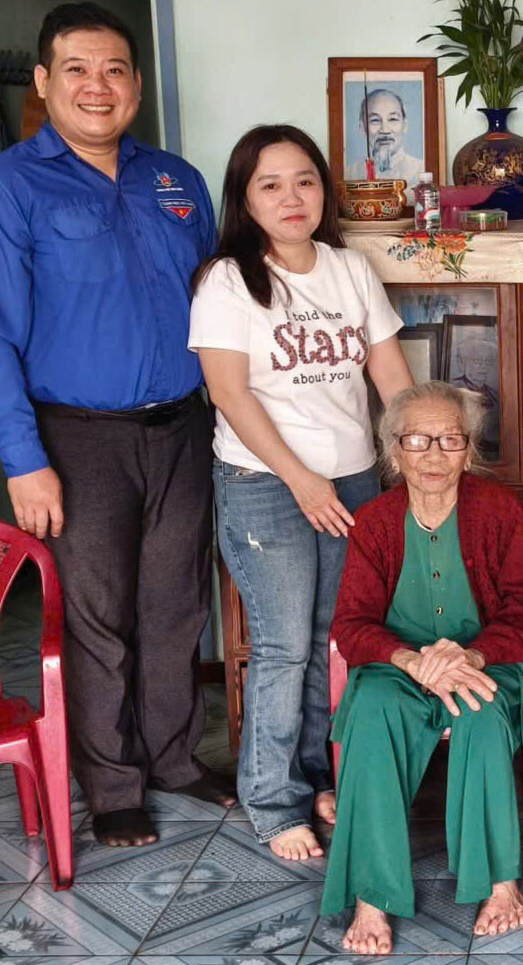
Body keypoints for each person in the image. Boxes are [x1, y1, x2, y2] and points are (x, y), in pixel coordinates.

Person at [0, 2, 234, 848]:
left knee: (177, 604)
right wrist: (21, 457)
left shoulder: (176, 180)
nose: (96, 86)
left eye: (113, 69)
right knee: (96, 616)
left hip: (184, 429)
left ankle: (174, 757)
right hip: (76, 438)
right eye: (76, 68)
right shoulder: (3, 190)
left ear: (137, 84)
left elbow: (222, 303)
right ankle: (113, 784)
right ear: (43, 82)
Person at [188, 124, 414, 860]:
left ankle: (316, 776)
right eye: (271, 184)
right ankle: (272, 801)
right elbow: (228, 393)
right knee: (284, 646)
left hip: (352, 480)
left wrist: (417, 451)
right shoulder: (228, 280)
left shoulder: (349, 269)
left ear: (325, 191)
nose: (292, 197)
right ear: (245, 199)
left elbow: (390, 375)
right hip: (265, 484)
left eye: (305, 181)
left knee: (328, 639)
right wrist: (301, 478)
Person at [320, 381, 523, 954]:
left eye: (450, 440)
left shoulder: (498, 512)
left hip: (488, 661)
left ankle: (499, 883)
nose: (433, 454)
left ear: (469, 450)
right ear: (393, 450)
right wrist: (408, 659)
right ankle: (371, 896)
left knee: (480, 710)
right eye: (417, 440)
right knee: (373, 712)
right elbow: (352, 623)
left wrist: (473, 655)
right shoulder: (375, 521)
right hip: (398, 667)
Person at [345, 88, 424, 190]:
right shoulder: (350, 174)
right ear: (362, 127)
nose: (385, 130)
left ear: (405, 125)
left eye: (393, 119)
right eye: (375, 120)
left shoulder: (420, 171)